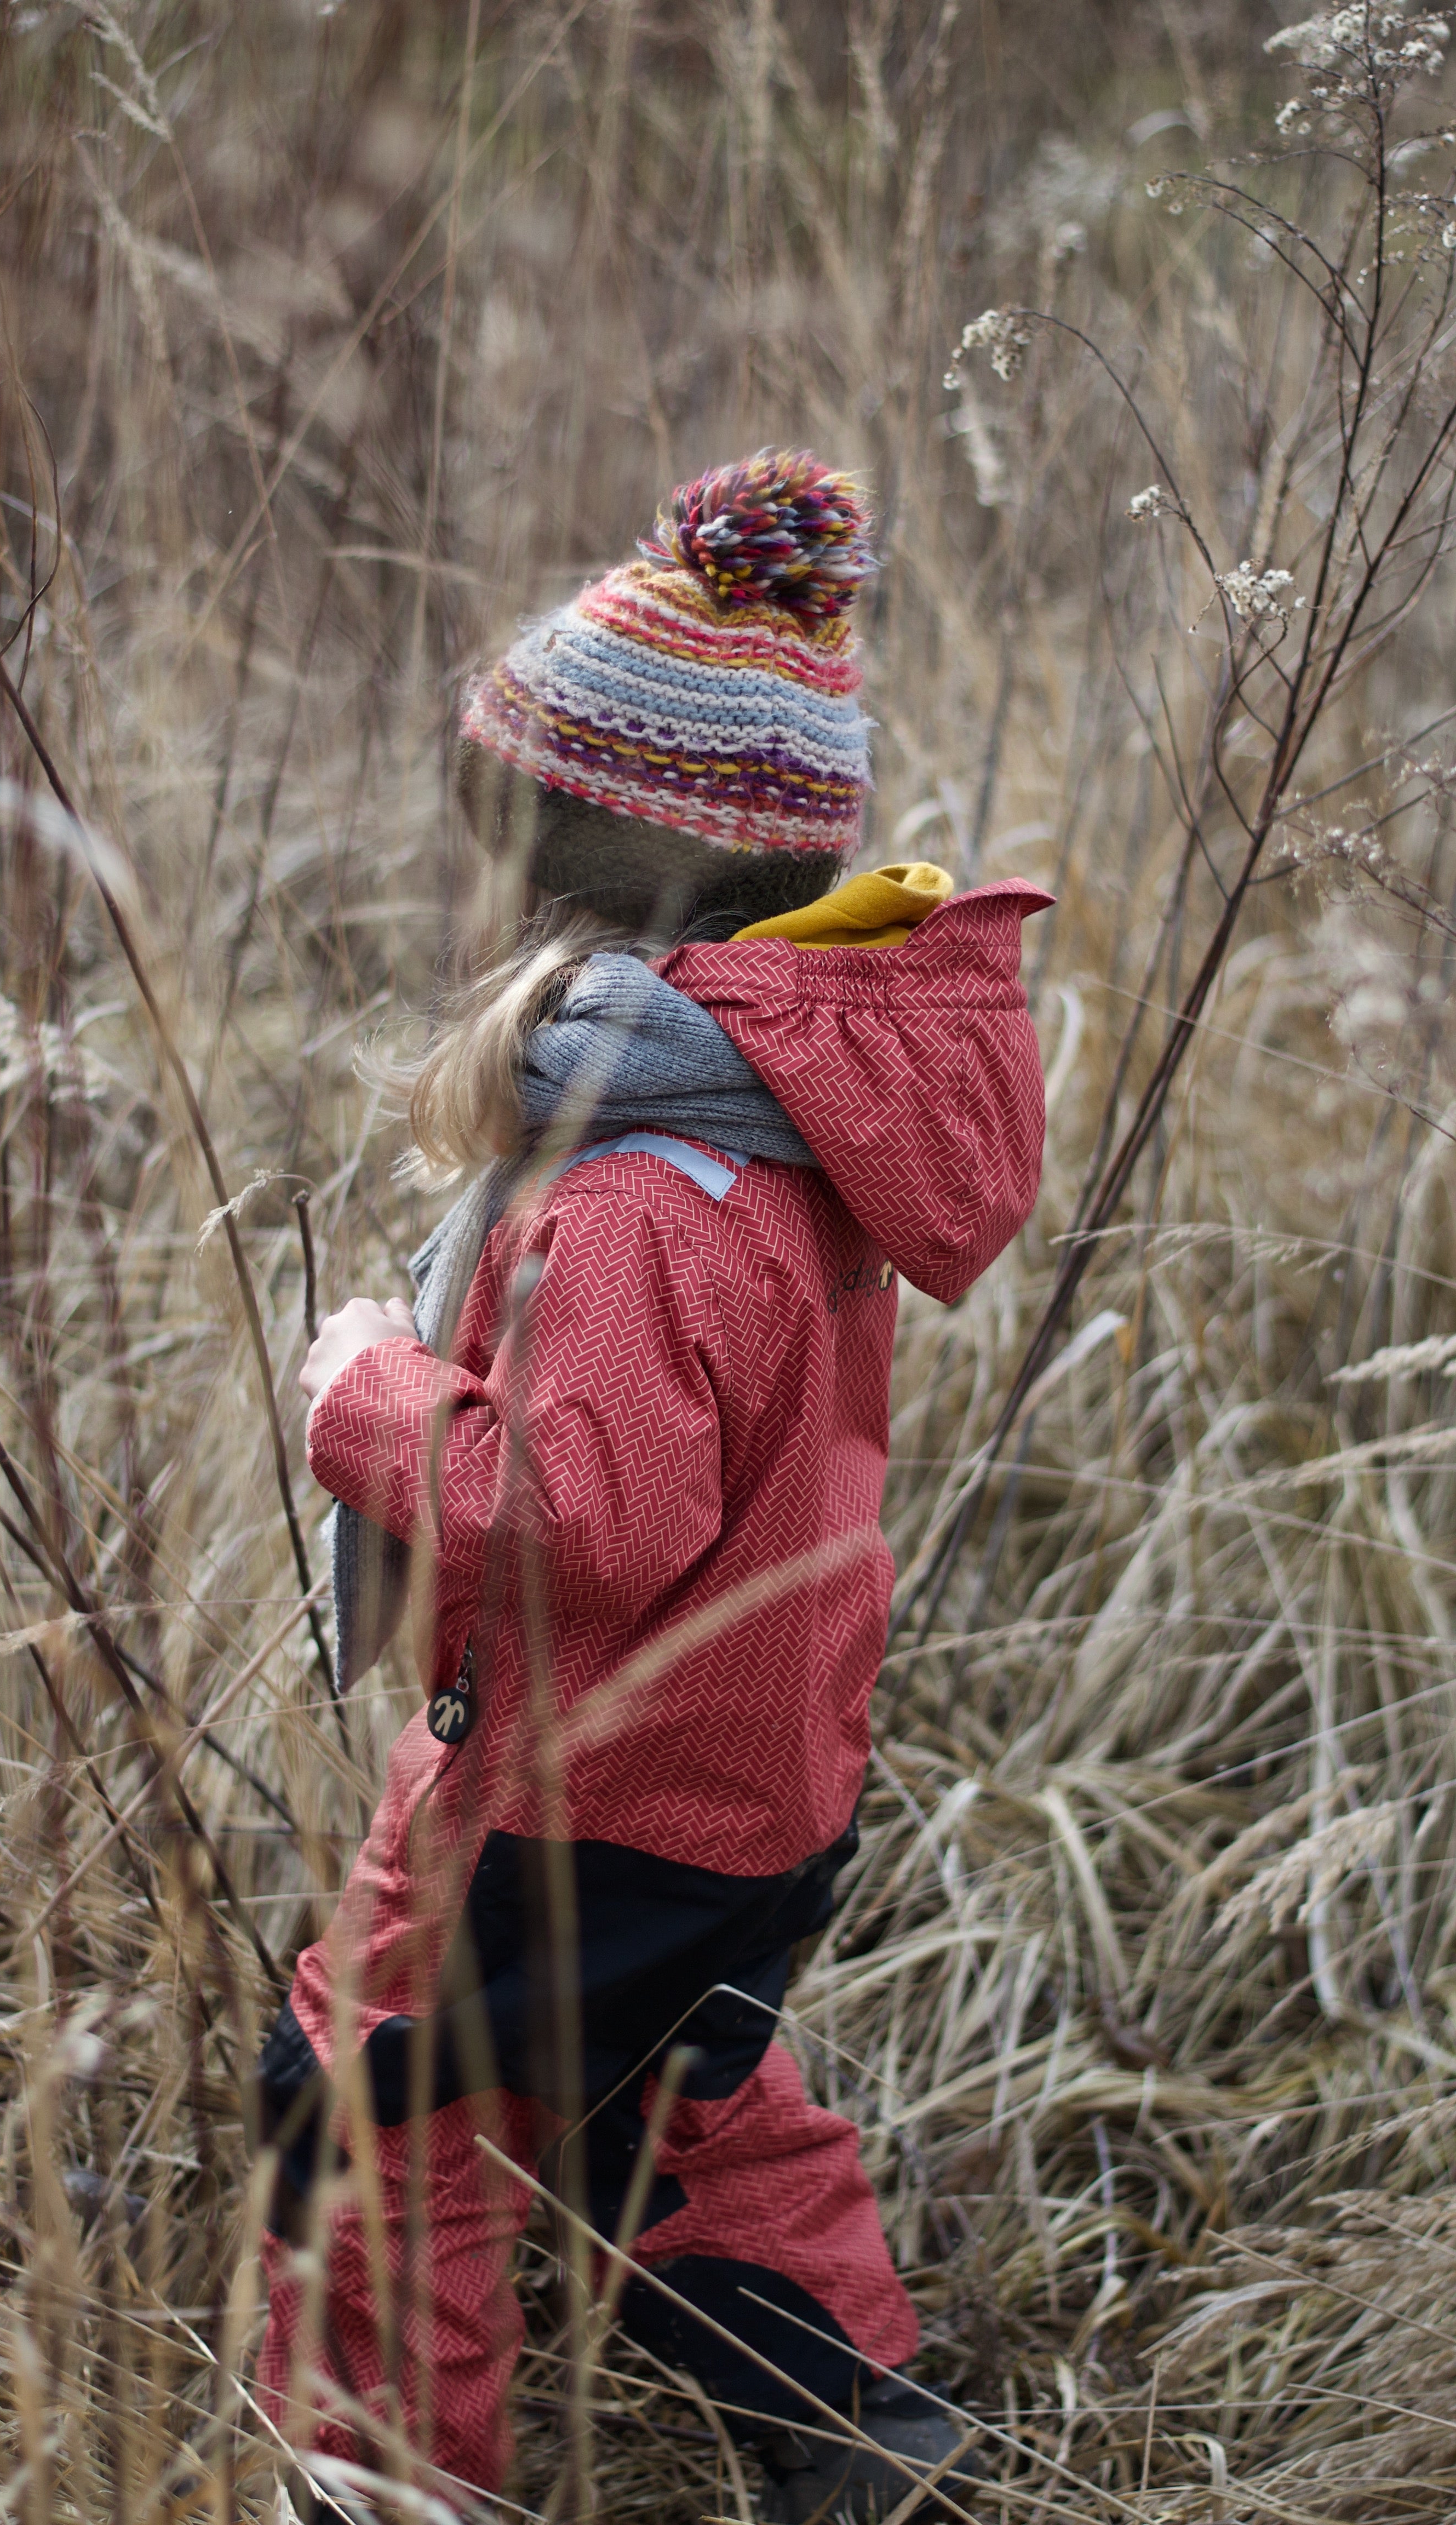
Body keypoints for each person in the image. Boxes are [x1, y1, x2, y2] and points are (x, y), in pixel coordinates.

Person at [255, 449, 1049, 2523]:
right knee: (677, 2089)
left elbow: (575, 1514)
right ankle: (859, 2426)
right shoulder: (793, 1118)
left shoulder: (644, 1191)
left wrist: (366, 1390)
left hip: (570, 1778)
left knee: (378, 2088)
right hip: (751, 1773)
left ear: (585, 890)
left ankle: (386, 2476)